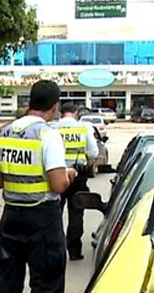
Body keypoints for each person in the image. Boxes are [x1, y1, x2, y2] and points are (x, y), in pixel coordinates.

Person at [0, 79, 76, 293]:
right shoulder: (48, 136)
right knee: (46, 283)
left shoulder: (5, 133)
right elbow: (57, 184)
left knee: (8, 278)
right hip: (43, 217)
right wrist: (70, 174)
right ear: (55, 105)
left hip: (11, 216)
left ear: (29, 101)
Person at [49, 103, 99, 261]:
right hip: (78, 175)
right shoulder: (84, 128)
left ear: (61, 113)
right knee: (76, 213)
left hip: (57, 174)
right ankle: (74, 250)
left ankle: (54, 248)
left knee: (55, 212)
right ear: (75, 114)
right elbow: (93, 152)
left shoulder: (53, 129)